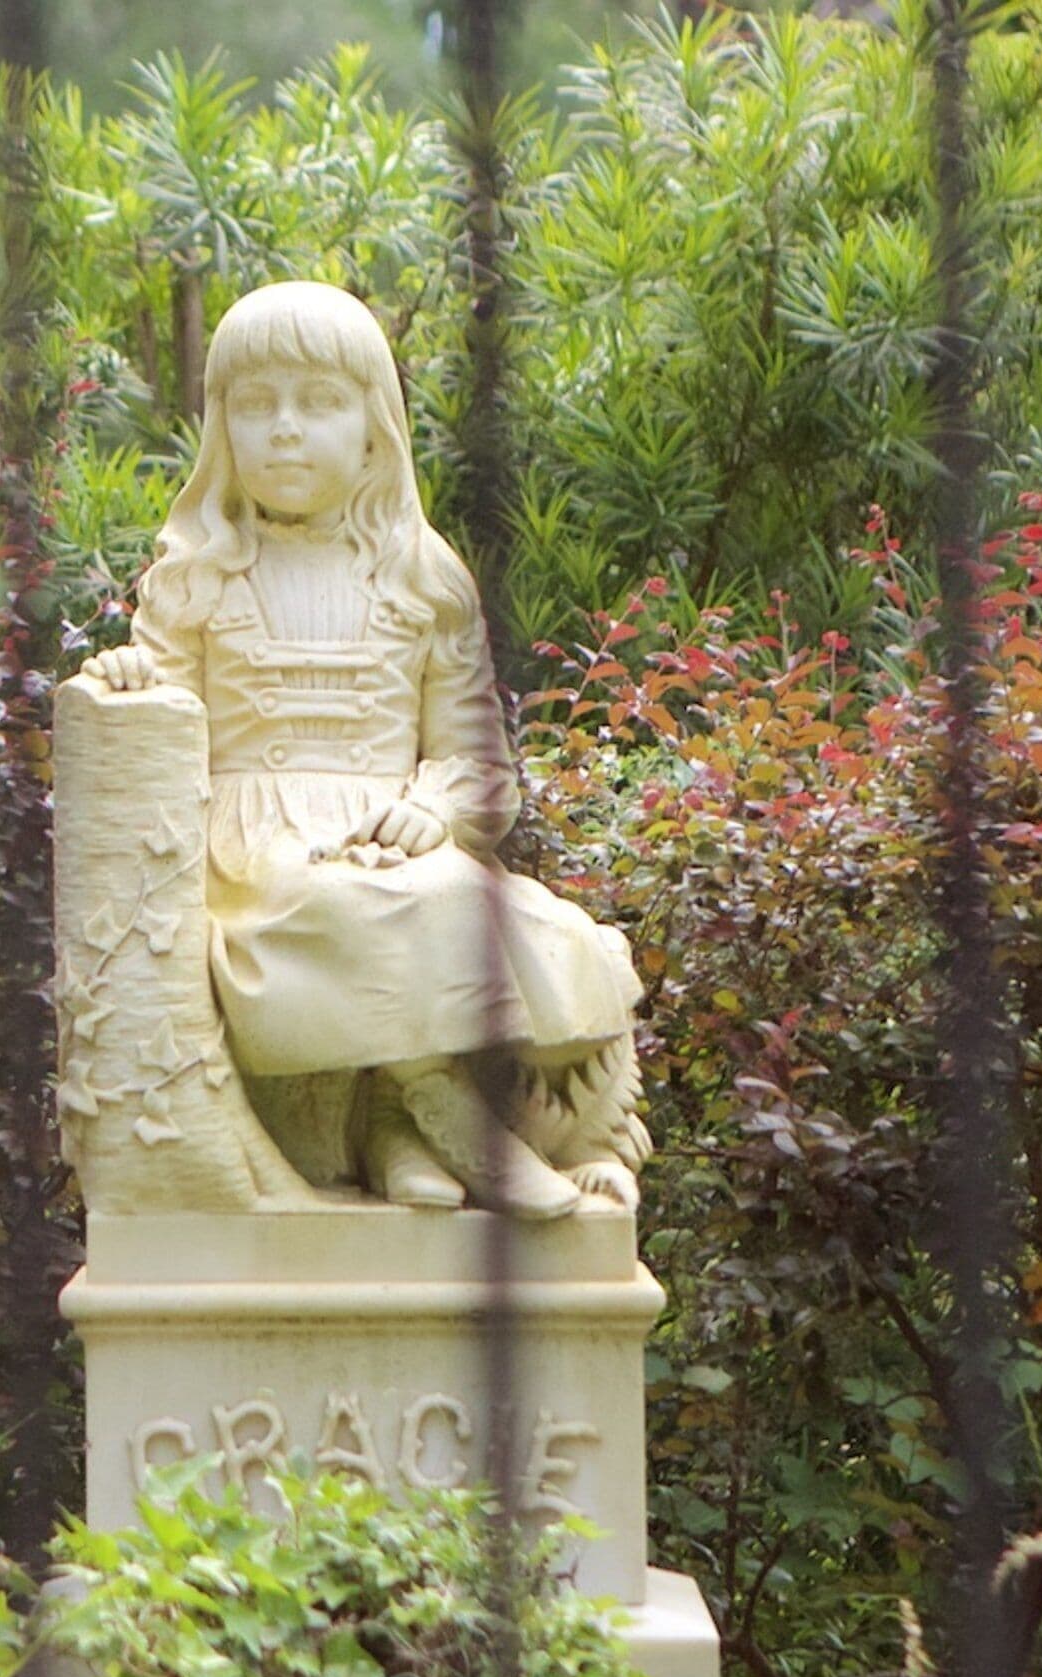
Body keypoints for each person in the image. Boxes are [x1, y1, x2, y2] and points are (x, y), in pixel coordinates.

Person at [82, 280, 643, 1217]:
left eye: (319, 403)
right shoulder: (196, 578)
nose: (286, 431)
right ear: (221, 429)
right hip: (257, 851)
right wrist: (132, 679)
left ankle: (423, 1139)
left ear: (375, 427)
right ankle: (441, 1115)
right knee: (333, 906)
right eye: (256, 407)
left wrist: (434, 805)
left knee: (552, 938)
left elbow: (479, 760)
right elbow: (160, 705)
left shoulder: (423, 579)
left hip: (397, 836)